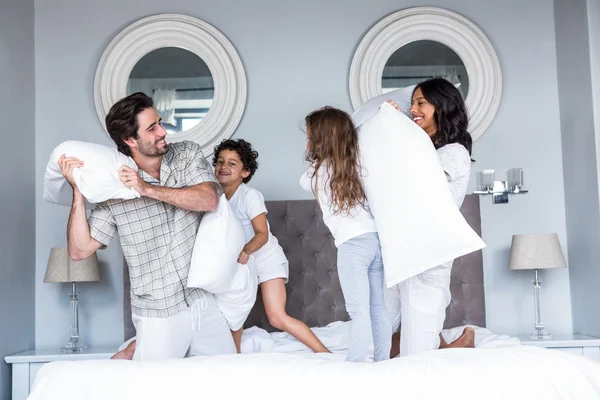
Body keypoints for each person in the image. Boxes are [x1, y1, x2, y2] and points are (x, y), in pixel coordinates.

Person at [60, 92, 236, 361]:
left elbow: (209, 200)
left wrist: (145, 189)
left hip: (201, 301)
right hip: (158, 310)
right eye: (152, 128)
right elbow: (79, 251)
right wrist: (78, 190)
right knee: (152, 389)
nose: (163, 131)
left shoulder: (186, 155)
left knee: (229, 382)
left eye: (160, 123)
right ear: (130, 140)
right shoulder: (114, 189)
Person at [385, 77, 476, 358]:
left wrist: (398, 129)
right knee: (385, 335)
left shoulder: (453, 153)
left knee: (417, 350)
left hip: (428, 255)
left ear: (442, 106)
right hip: (401, 251)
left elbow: (423, 193)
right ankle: (452, 347)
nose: (413, 109)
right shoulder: (422, 148)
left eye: (420, 102)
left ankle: (451, 352)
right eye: (412, 103)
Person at [213, 138, 330, 353]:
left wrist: (246, 250)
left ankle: (324, 353)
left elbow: (262, 234)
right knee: (233, 315)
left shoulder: (250, 196)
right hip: (241, 265)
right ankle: (234, 357)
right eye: (220, 162)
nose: (223, 167)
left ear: (245, 172)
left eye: (232, 163)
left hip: (265, 260)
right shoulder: (216, 199)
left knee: (277, 317)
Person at [300, 107, 391, 363]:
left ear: (320, 140)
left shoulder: (316, 172)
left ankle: (354, 365)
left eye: (309, 137)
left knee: (358, 310)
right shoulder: (358, 166)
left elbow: (303, 182)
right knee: (377, 308)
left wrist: (316, 158)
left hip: (352, 245)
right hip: (375, 241)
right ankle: (382, 361)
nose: (307, 142)